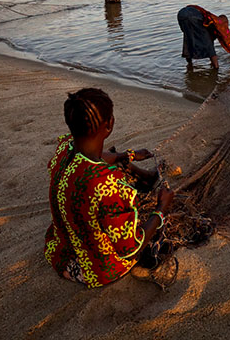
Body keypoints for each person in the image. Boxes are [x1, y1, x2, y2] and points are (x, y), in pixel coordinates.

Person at [44, 88, 176, 288]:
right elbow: (130, 249)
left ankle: (147, 177)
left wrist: (128, 155)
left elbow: (95, 158)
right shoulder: (107, 186)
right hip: (97, 271)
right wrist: (161, 209)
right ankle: (151, 185)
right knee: (147, 227)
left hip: (59, 249)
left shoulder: (64, 148)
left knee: (112, 167)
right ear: (109, 125)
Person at [177, 4, 230, 69]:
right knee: (209, 45)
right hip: (193, 16)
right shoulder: (220, 26)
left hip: (181, 14)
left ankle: (189, 65)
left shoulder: (212, 19)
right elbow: (227, 40)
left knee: (188, 38)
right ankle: (216, 68)